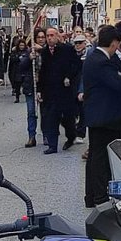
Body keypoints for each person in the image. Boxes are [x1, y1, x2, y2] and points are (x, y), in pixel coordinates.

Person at [82, 25, 121, 207]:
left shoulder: (93, 57)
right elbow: (118, 83)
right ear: (113, 43)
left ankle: (91, 197)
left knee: (95, 157)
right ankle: (100, 197)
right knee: (100, 159)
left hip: (97, 115)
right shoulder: (102, 61)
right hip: (103, 117)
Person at [36, 26, 81, 154]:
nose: (49, 38)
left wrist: (68, 76)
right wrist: (39, 90)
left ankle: (71, 136)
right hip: (50, 91)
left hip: (65, 90)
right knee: (51, 117)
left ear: (57, 36)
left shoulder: (67, 49)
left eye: (52, 35)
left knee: (67, 118)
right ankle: (52, 145)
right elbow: (42, 73)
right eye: (47, 36)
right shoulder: (44, 52)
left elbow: (76, 65)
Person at [72, 32, 88, 142]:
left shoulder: (89, 55)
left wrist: (82, 90)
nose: (78, 45)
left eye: (80, 43)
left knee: (83, 111)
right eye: (76, 43)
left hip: (84, 85)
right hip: (73, 85)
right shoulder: (72, 55)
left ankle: (80, 134)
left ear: (84, 43)